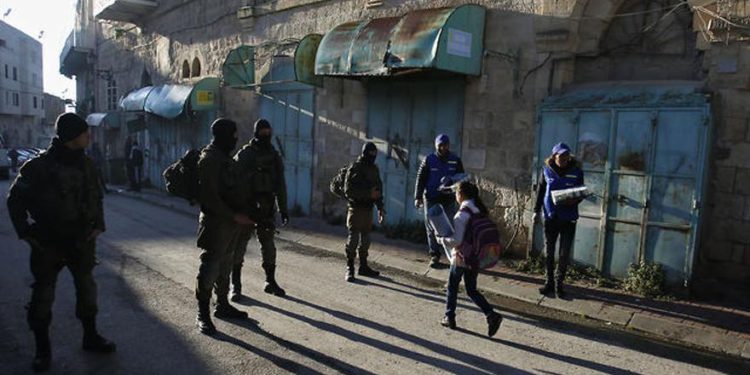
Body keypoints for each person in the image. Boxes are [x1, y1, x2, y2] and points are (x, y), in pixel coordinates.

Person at [7, 113, 116, 372]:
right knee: (42, 296)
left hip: (81, 241)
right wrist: (27, 232)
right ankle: (42, 350)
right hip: (49, 243)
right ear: (71, 136)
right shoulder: (38, 167)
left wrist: (99, 225)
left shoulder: (86, 164)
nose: (89, 136)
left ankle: (90, 337)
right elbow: (15, 200)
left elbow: (95, 196)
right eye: (84, 132)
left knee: (87, 291)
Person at [194, 118, 255, 335]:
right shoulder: (210, 159)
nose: (236, 139)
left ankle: (222, 305)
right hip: (215, 224)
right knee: (210, 267)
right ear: (224, 135)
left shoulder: (224, 158)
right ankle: (202, 313)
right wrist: (234, 215)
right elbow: (210, 198)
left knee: (226, 264)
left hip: (231, 224)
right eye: (234, 134)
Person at [231, 119, 289, 300]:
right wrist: (239, 207)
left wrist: (283, 208)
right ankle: (236, 285)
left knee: (269, 246)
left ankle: (270, 281)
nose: (266, 134)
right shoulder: (246, 154)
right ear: (256, 133)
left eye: (268, 131)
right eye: (262, 131)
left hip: (267, 207)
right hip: (248, 206)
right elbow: (233, 179)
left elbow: (280, 184)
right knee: (240, 246)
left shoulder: (274, 155)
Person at [437, 180, 503, 337]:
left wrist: (441, 240)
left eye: (456, 194)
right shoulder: (480, 210)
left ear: (461, 194)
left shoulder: (462, 215)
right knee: (471, 289)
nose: (456, 197)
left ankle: (449, 316)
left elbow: (457, 241)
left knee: (452, 287)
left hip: (461, 257)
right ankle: (491, 314)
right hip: (475, 257)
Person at [532, 142, 585, 299]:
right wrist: (536, 211)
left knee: (564, 253)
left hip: (568, 218)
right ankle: (549, 283)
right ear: (554, 156)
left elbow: (581, 192)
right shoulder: (547, 170)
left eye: (566, 155)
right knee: (549, 252)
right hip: (551, 217)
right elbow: (541, 191)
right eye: (561, 155)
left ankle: (559, 284)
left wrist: (573, 201)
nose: (564, 158)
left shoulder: (576, 171)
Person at [415, 134, 464, 268]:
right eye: (440, 145)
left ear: (448, 145)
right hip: (431, 198)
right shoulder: (429, 160)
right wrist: (417, 197)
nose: (443, 148)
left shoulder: (455, 160)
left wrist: (455, 186)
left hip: (448, 199)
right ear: (436, 146)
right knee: (431, 228)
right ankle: (434, 255)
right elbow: (421, 178)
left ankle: (452, 255)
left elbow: (461, 179)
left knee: (449, 228)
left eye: (445, 145)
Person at [343, 142, 385, 282]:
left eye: (374, 154)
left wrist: (380, 207)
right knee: (353, 239)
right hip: (356, 209)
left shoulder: (374, 169)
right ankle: (350, 267)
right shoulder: (355, 167)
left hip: (368, 210)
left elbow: (378, 190)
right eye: (370, 154)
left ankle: (363, 266)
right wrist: (368, 194)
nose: (372, 157)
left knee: (366, 240)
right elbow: (348, 191)